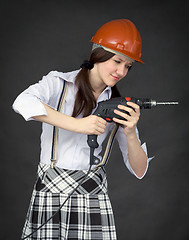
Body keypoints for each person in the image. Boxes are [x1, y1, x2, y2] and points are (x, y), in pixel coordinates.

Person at [13, 19, 152, 240]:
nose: (121, 71)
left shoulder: (118, 105)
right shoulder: (58, 84)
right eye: (117, 61)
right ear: (98, 55)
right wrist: (78, 125)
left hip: (93, 199)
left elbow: (139, 170)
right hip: (50, 194)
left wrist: (131, 132)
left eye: (128, 65)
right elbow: (21, 102)